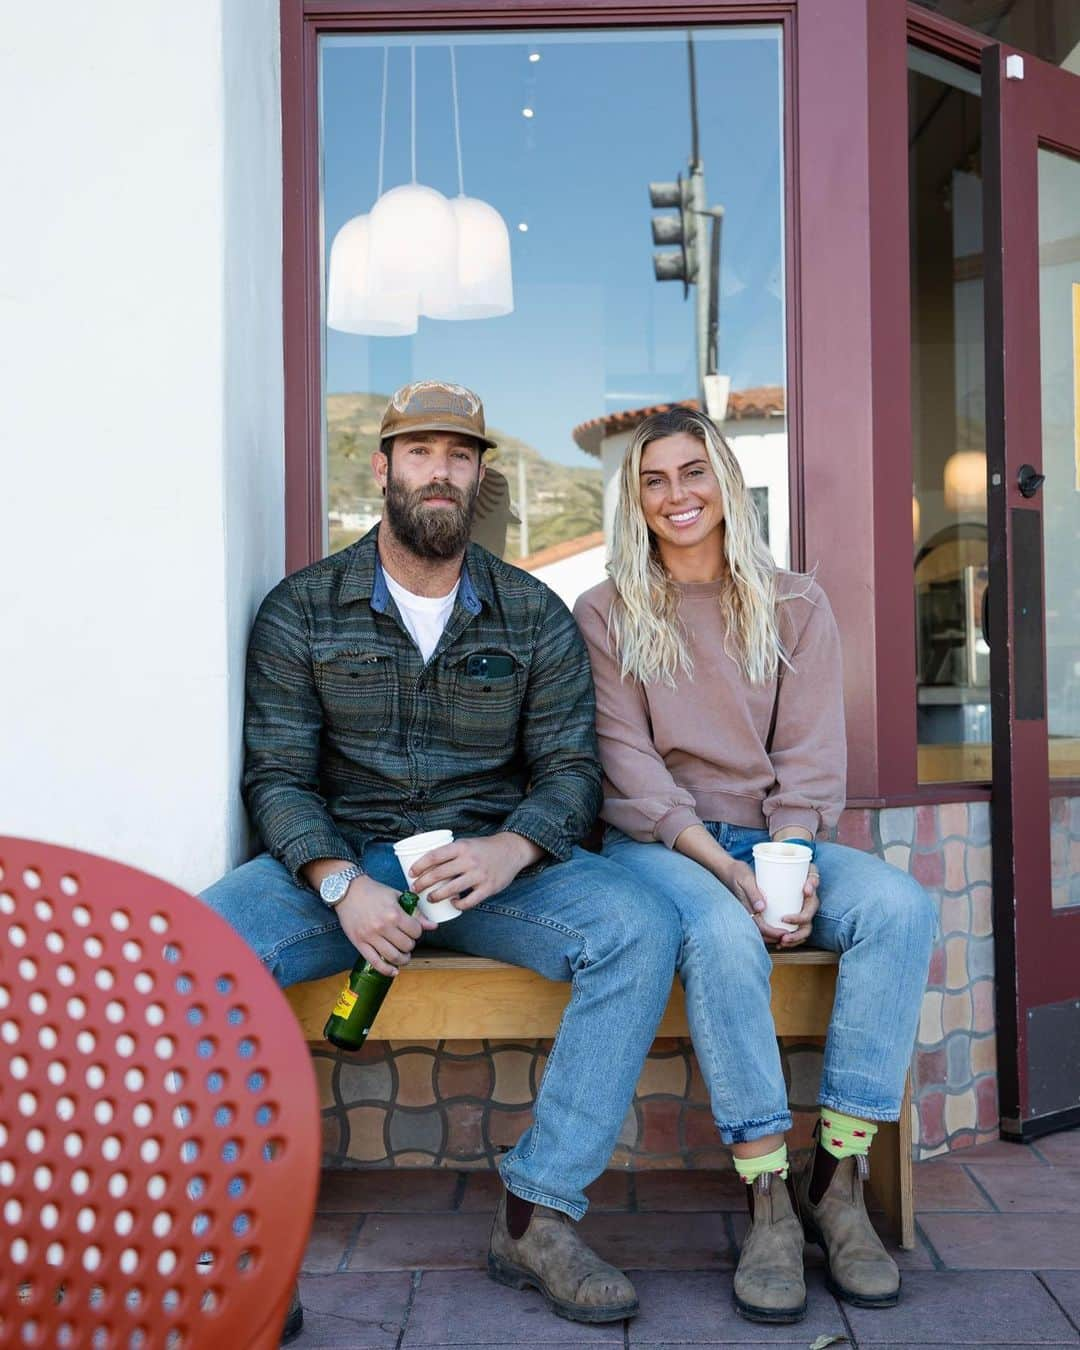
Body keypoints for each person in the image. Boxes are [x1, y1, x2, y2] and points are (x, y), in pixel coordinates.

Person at [201, 381, 680, 1341]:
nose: (439, 473)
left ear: (480, 479)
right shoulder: (303, 608)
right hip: (347, 863)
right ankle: (233, 1236)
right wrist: (339, 883)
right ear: (382, 470)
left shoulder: (533, 614)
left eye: (459, 457)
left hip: (486, 865)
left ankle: (536, 1218)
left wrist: (511, 848)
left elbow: (572, 770)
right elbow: (278, 777)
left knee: (639, 927)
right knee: (198, 953)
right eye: (420, 453)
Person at [573, 406, 936, 1325]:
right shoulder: (608, 612)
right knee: (723, 937)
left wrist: (792, 866)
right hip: (664, 845)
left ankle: (838, 1184)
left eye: (692, 473)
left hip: (772, 836)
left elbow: (812, 762)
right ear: (634, 499)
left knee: (898, 907)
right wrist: (727, 875)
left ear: (726, 481)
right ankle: (766, 1198)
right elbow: (632, 770)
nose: (675, 496)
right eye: (653, 481)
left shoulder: (795, 604)